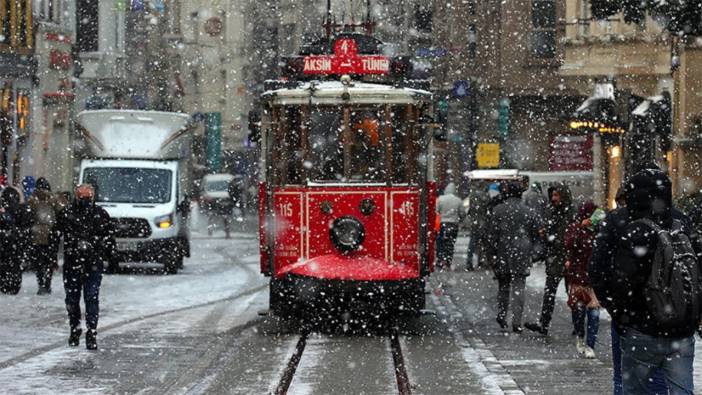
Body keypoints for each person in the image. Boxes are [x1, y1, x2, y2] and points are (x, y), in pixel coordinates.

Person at [590, 169, 701, 394]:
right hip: (681, 326)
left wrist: (619, 314)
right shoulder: (680, 221)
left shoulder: (623, 223)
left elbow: (600, 271)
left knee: (631, 385)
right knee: (682, 389)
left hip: (639, 325)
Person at [58, 184, 114, 350]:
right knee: (72, 299)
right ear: (76, 196)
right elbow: (56, 234)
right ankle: (75, 328)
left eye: (88, 197)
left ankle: (91, 331)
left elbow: (109, 238)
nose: (85, 200)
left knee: (91, 297)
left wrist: (109, 256)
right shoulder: (67, 214)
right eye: (82, 196)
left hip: (92, 264)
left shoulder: (100, 215)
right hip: (73, 263)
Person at [486, 180, 540, 333]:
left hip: (503, 252)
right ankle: (517, 321)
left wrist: (492, 255)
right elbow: (537, 236)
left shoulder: (498, 210)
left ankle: (502, 315)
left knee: (503, 287)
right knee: (519, 287)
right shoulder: (529, 212)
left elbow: (492, 236)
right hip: (522, 253)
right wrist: (534, 254)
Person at [525, 182, 574, 336]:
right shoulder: (552, 211)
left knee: (572, 293)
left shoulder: (570, 212)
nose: (554, 198)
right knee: (550, 292)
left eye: (556, 195)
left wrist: (553, 238)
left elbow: (568, 236)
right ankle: (544, 324)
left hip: (568, 258)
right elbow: (552, 234)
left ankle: (578, 324)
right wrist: (545, 234)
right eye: (552, 195)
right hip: (555, 258)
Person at [564, 201, 601, 358]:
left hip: (594, 278)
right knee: (578, 311)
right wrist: (581, 227)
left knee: (594, 314)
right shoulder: (575, 228)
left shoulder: (600, 230)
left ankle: (590, 345)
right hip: (578, 277)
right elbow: (569, 244)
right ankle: (580, 336)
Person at [28, 177, 59, 295]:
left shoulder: (32, 199)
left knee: (39, 261)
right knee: (49, 260)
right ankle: (48, 283)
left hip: (36, 234)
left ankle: (41, 284)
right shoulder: (53, 199)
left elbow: (28, 215)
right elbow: (60, 212)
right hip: (51, 234)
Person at [0, 187, 30, 294]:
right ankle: (13, 285)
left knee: (5, 263)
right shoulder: (21, 209)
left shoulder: (5, 209)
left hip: (6, 243)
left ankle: (5, 284)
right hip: (16, 243)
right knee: (14, 264)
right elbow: (26, 225)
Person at [436, 182, 463, 269]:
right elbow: (462, 213)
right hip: (453, 224)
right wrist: (459, 220)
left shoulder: (440, 199)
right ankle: (448, 260)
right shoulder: (458, 200)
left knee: (441, 243)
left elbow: (436, 211)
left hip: (443, 223)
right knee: (451, 243)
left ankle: (440, 260)